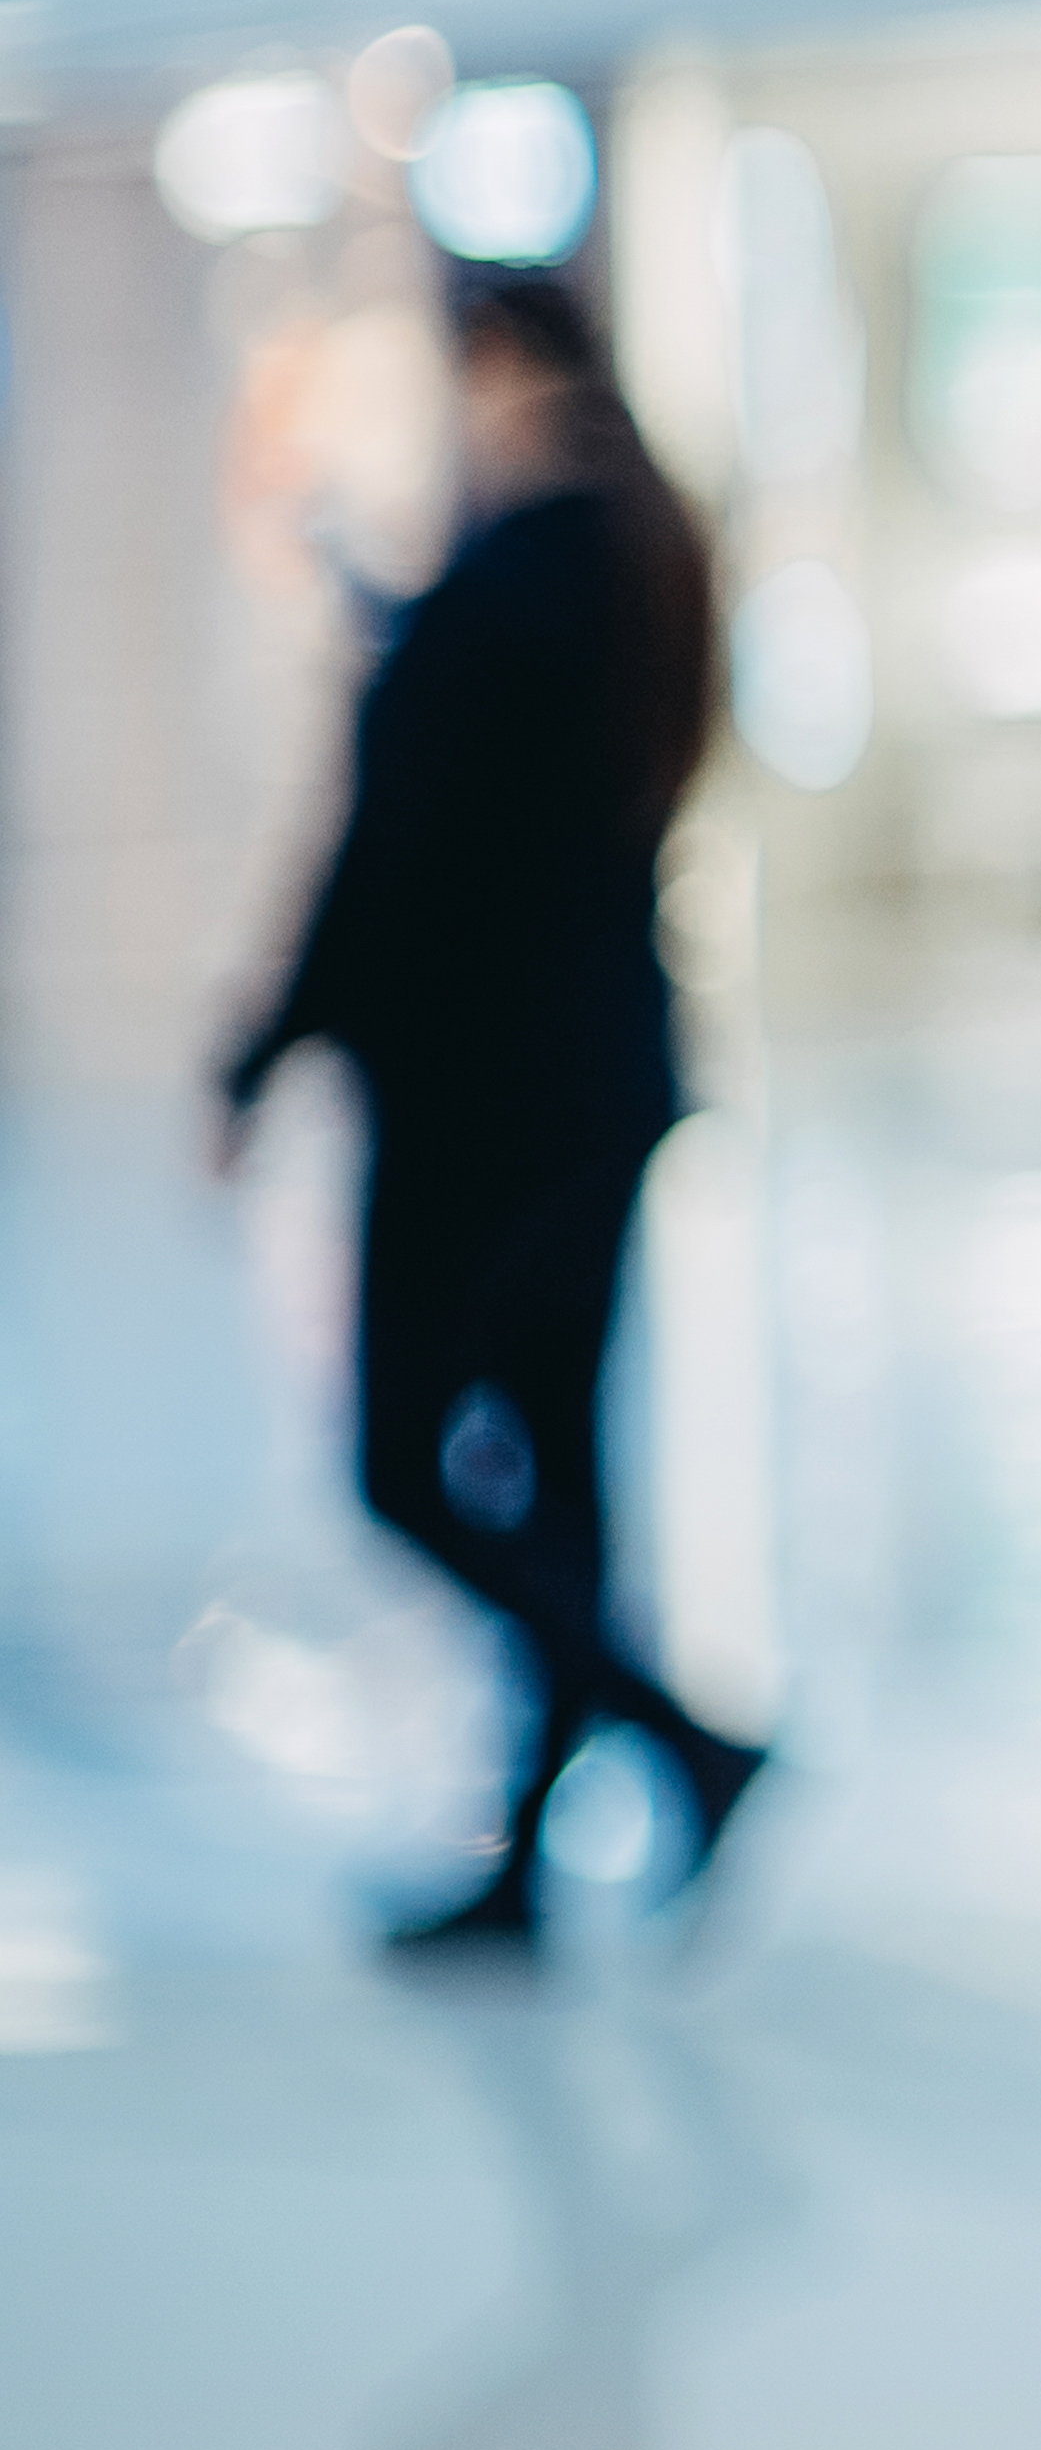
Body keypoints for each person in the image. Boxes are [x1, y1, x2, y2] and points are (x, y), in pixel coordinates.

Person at [217, 263, 770, 1956]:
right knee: (560, 1461)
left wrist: (260, 1048)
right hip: (603, 1067)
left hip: (482, 1093)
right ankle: (541, 1849)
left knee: (404, 1456)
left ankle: (672, 1729)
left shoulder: (512, 575)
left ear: (501, 366)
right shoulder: (634, 553)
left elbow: (391, 854)